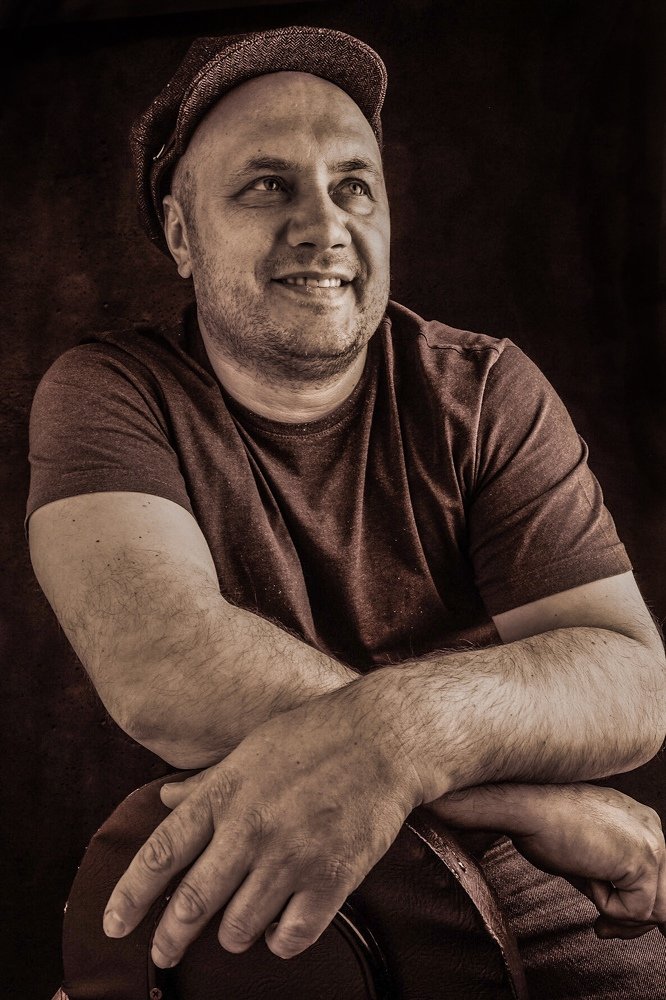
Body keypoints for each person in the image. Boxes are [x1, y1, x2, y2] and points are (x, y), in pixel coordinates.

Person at [27, 25, 666, 997]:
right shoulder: (111, 392)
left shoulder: (485, 391)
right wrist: (522, 803)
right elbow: (164, 668)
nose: (324, 226)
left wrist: (398, 736)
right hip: (238, 877)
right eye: (267, 185)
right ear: (182, 234)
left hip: (516, 890)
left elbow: (630, 682)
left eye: (354, 186)